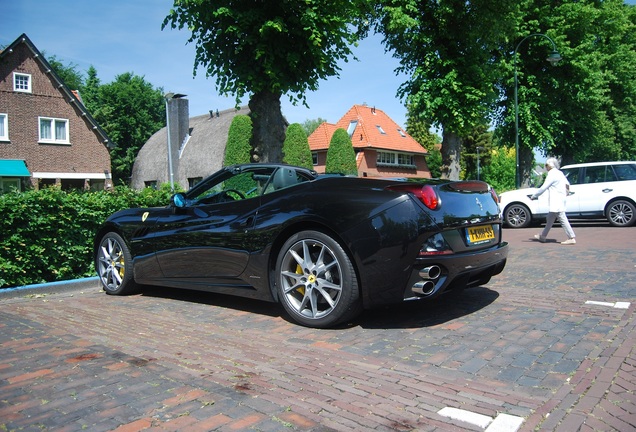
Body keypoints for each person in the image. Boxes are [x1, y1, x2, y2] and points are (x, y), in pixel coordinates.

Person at [530, 157, 576, 245]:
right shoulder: (560, 173)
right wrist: (566, 193)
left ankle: (571, 237)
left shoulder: (552, 174)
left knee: (562, 218)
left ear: (549, 166)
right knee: (550, 219)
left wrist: (534, 196)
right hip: (561, 199)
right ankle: (543, 236)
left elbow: (544, 187)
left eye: (546, 165)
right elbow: (567, 185)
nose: (545, 167)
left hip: (556, 201)